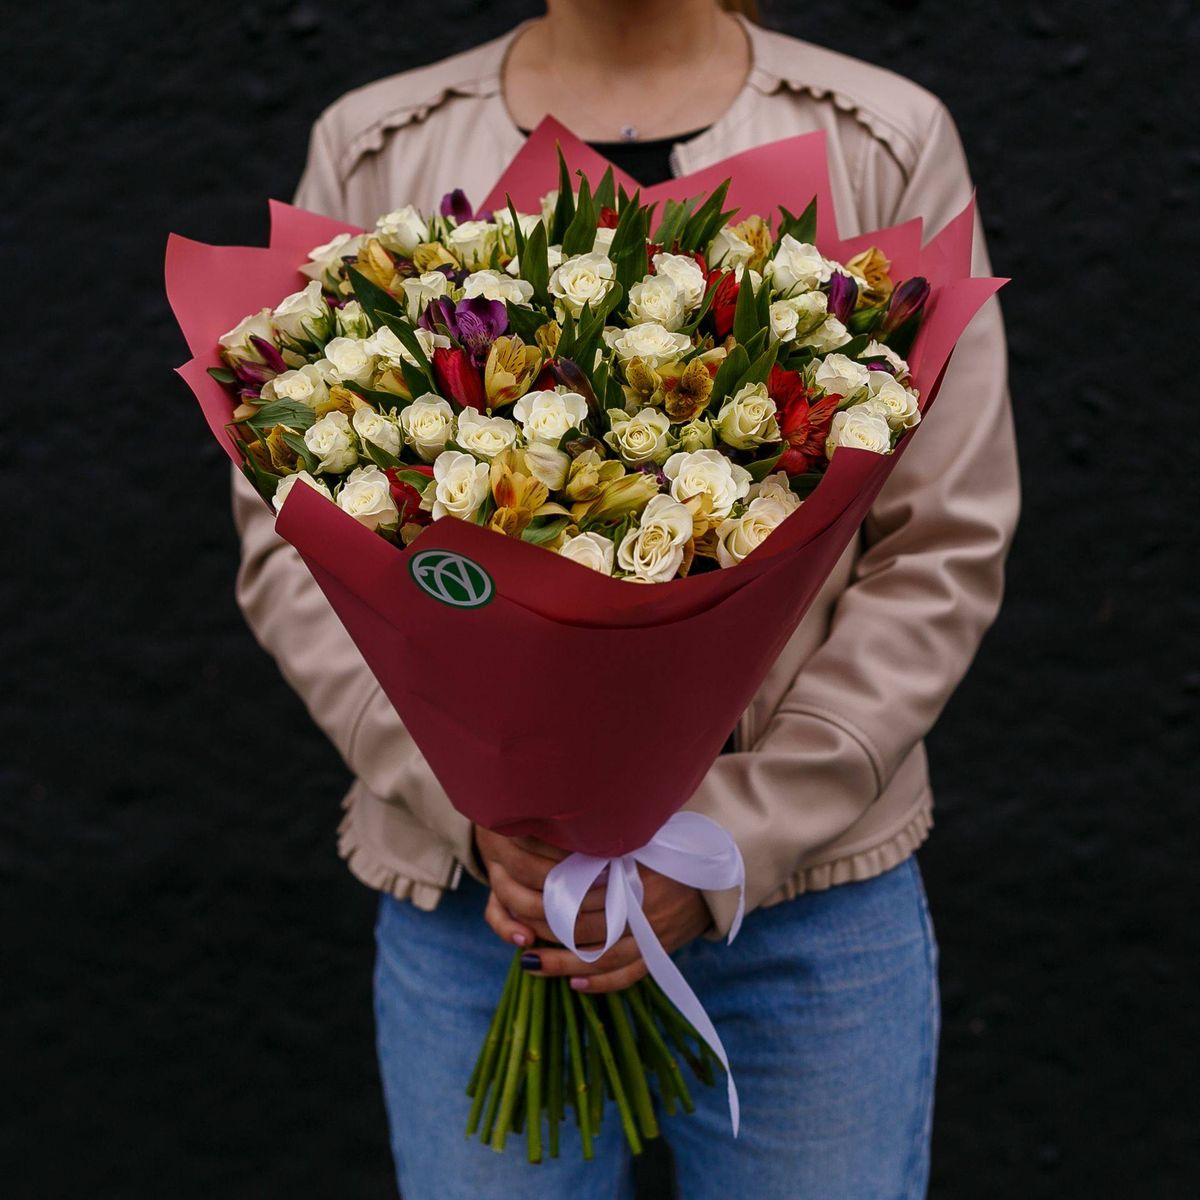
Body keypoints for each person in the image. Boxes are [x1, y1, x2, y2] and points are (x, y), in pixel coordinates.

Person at [232, 1, 1019, 1196]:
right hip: (480, 911)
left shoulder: (884, 138)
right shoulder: (380, 144)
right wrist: (474, 808)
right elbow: (291, 539)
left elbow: (941, 542)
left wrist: (729, 843)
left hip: (805, 916)